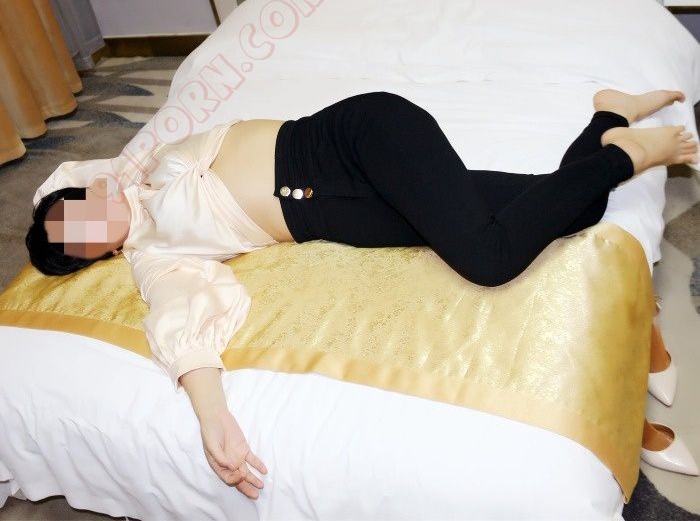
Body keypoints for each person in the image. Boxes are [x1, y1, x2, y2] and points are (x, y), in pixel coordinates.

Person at [25, 88, 699, 500]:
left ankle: (627, 155)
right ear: (95, 255)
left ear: (84, 191)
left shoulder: (155, 163)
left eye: (75, 211)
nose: (88, 223)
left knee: (489, 259)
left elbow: (81, 168)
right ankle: (609, 116)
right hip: (348, 214)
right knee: (569, 208)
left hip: (353, 140)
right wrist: (210, 412)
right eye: (78, 240)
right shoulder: (155, 256)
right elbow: (181, 317)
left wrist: (97, 184)